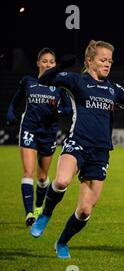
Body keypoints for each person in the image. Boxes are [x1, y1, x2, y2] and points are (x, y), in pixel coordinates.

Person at [30, 40, 124, 258]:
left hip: (100, 152)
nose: (108, 64)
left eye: (110, 61)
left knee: (85, 210)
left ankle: (62, 242)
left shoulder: (114, 89)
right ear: (90, 61)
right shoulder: (77, 81)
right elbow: (43, 79)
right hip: (78, 142)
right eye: (103, 60)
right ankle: (45, 214)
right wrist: (59, 67)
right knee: (61, 181)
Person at [6, 48, 71, 227]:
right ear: (38, 63)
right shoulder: (28, 81)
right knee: (28, 172)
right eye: (44, 61)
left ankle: (38, 206)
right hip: (29, 129)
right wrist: (10, 113)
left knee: (42, 178)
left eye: (51, 62)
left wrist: (59, 110)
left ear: (55, 64)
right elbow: (16, 100)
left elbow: (69, 109)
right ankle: (29, 213)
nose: (48, 64)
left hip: (48, 133)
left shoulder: (59, 85)